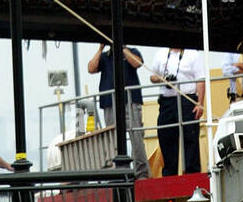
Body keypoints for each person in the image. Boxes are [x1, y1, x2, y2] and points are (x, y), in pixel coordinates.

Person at [87, 42, 150, 178]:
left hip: (130, 100)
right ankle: (116, 172)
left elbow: (137, 63)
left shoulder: (132, 51)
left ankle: (141, 173)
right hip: (110, 103)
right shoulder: (105, 57)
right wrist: (101, 48)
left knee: (136, 137)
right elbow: (91, 68)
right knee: (112, 140)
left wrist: (122, 48)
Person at [149, 47, 206, 175]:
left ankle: (192, 174)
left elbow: (201, 80)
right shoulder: (161, 53)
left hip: (187, 100)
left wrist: (200, 103)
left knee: (190, 137)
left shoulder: (193, 54)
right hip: (167, 102)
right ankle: (169, 174)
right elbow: (152, 76)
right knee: (166, 136)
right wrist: (161, 79)